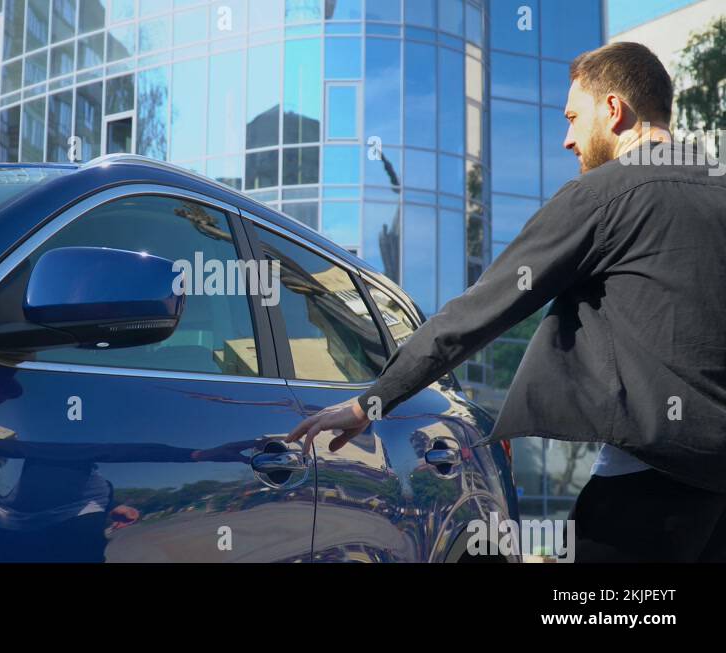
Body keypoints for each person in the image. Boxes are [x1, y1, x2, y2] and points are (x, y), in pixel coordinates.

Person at [286, 42, 726, 562]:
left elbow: (481, 309)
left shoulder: (603, 196)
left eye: (572, 117)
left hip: (644, 494)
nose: (567, 139)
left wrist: (370, 401)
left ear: (613, 110)